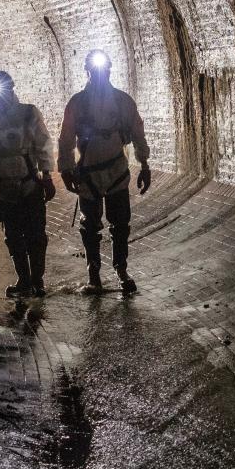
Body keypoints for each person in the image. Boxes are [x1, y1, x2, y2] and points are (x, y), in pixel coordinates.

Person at [58, 49, 151, 293]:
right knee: (90, 226)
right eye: (95, 70)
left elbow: (138, 134)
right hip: (88, 174)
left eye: (103, 69)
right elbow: (66, 139)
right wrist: (66, 169)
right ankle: (94, 273)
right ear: (87, 72)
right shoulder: (77, 104)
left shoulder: (122, 102)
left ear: (109, 70)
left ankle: (121, 269)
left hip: (116, 172)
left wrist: (144, 164)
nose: (99, 75)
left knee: (120, 224)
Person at [0, 70, 55, 299]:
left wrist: (47, 175)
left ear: (11, 88)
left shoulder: (28, 113)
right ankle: (23, 279)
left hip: (29, 183)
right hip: (3, 186)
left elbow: (43, 144)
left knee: (35, 235)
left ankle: (37, 280)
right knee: (12, 235)